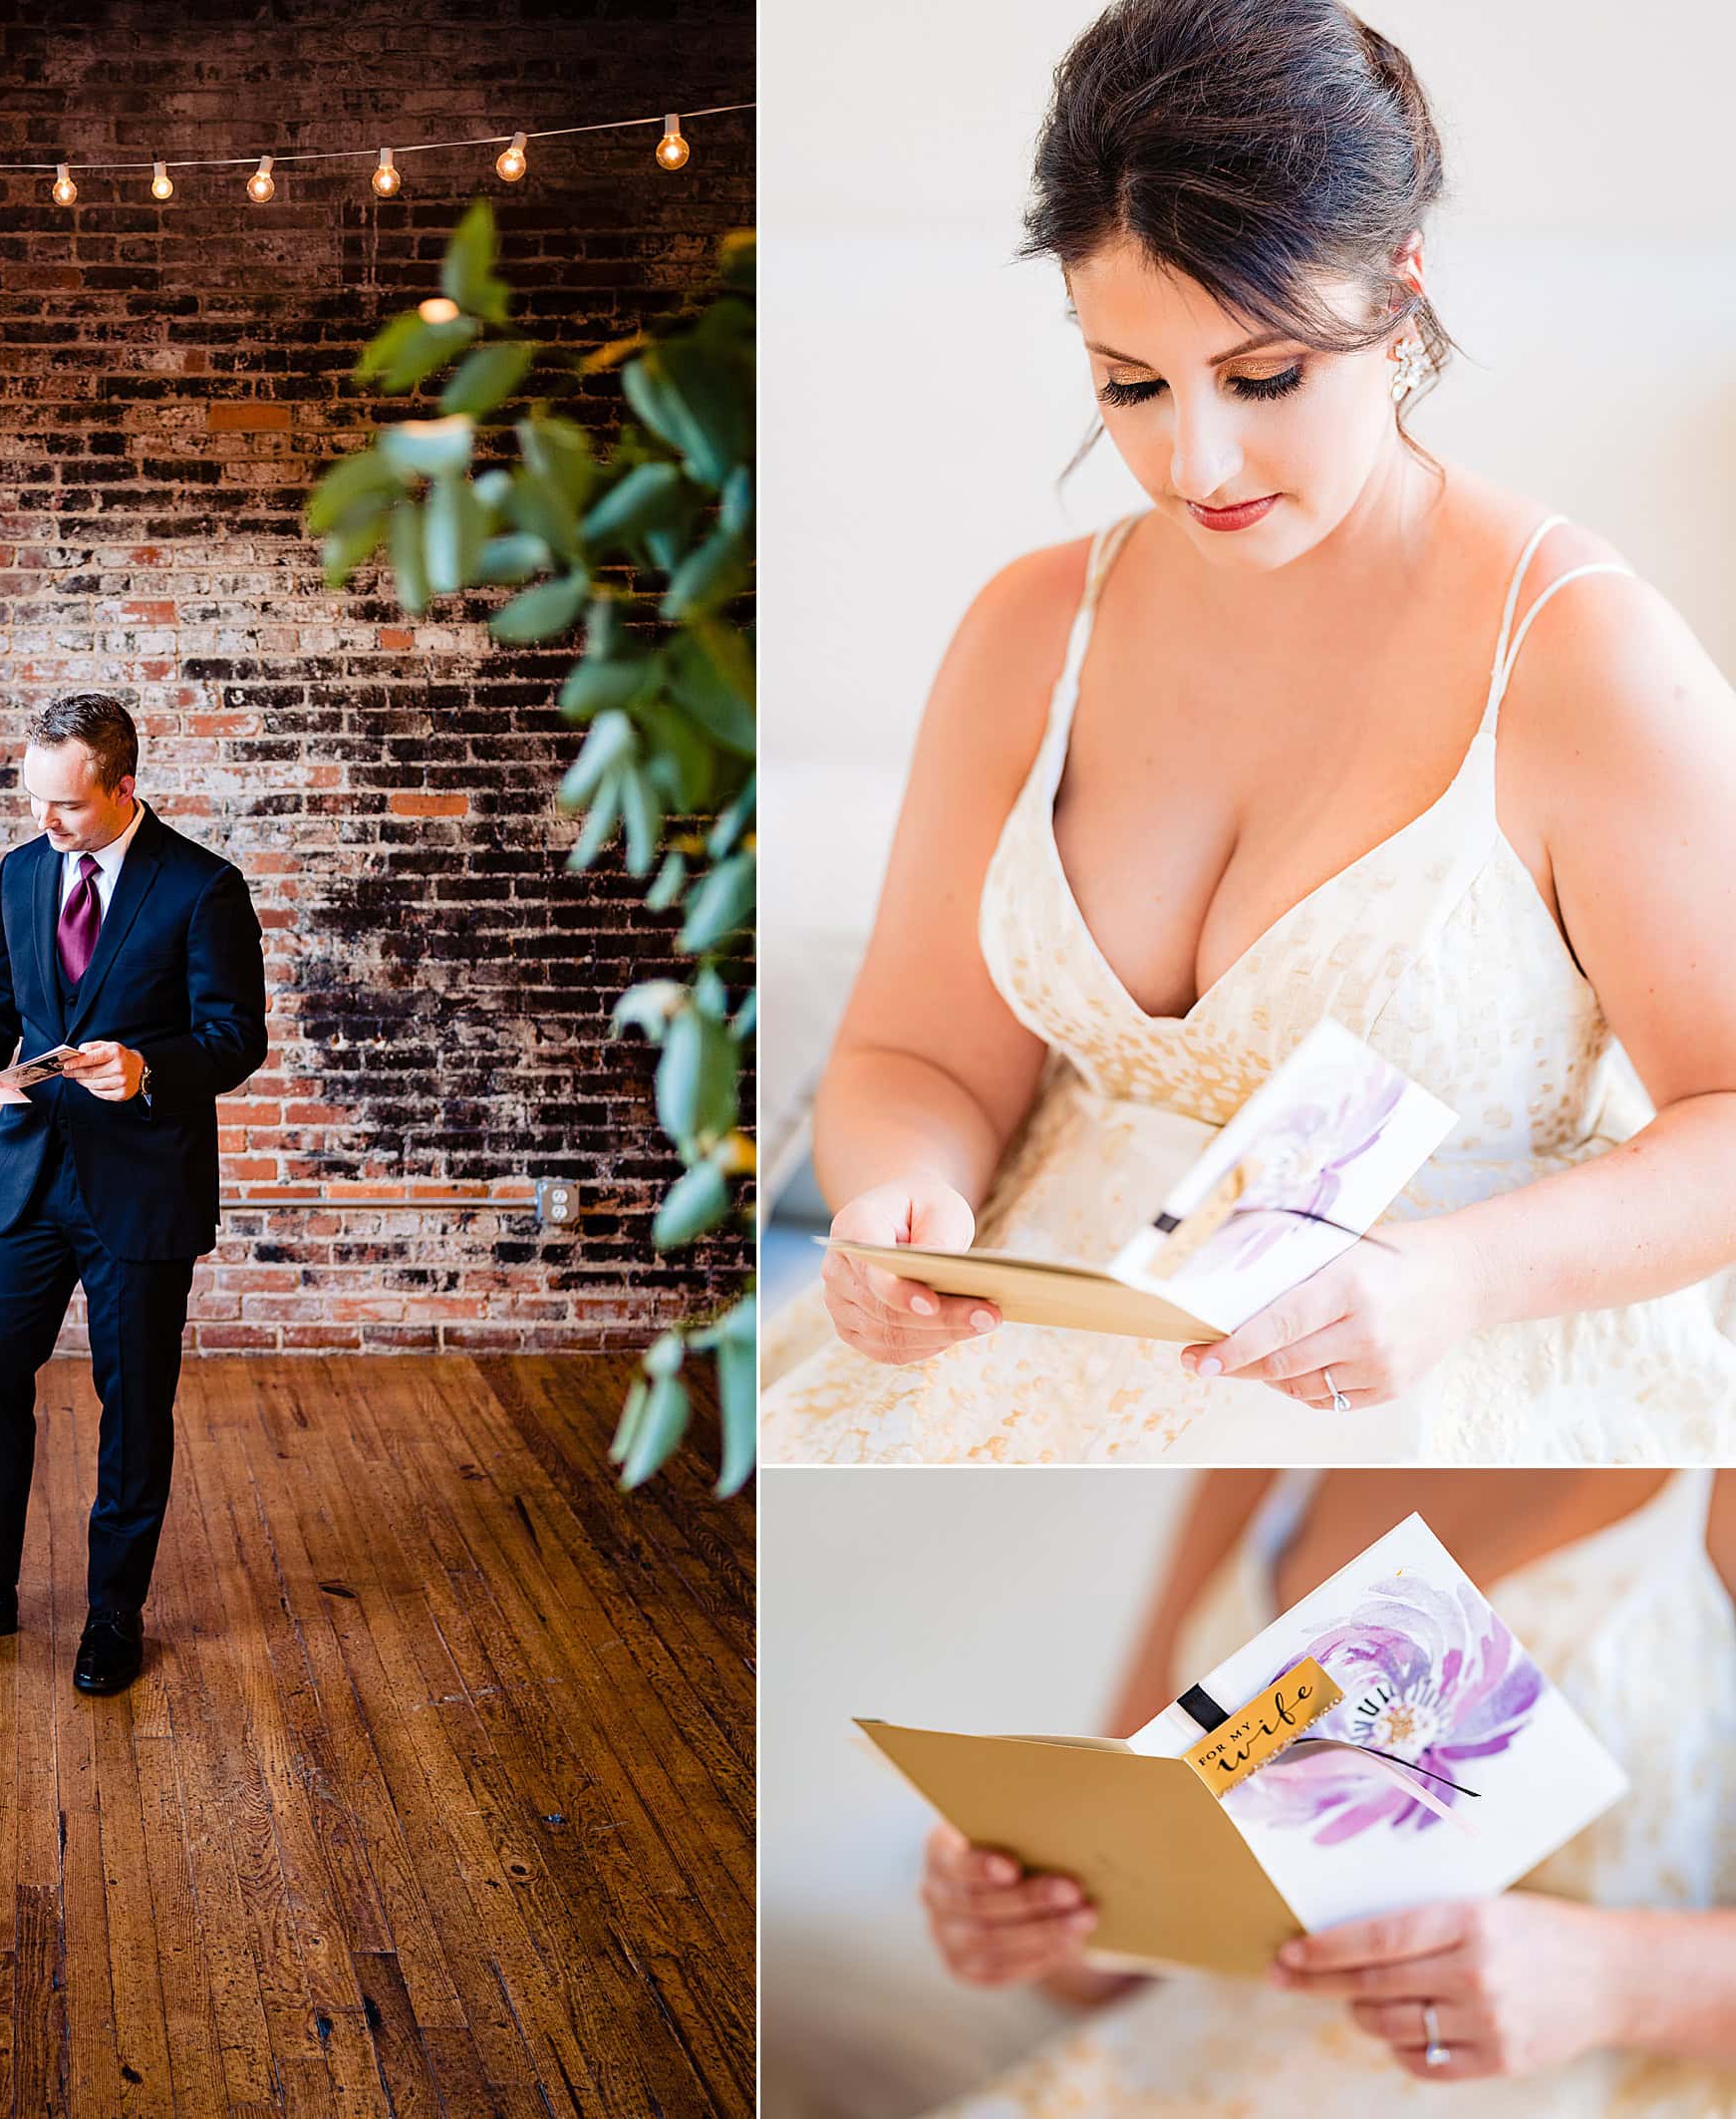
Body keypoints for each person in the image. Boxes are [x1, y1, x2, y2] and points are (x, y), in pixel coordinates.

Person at [761, 0, 1736, 1464]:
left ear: (1400, 294)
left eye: (1264, 377)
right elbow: (920, 1056)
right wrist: (906, 1204)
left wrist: (1459, 1275)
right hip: (1023, 1393)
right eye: (1131, 386)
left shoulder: (1582, 655)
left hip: (1431, 1413)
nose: (1194, 462)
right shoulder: (1033, 632)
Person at [917, 1468, 1736, 2113]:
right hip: (1180, 2079)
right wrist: (1025, 1911)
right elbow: (1103, 1953)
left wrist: (1619, 1979)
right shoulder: (1269, 1453)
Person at [0, 691, 267, 1693]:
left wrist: (148, 1065)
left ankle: (113, 1613)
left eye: (66, 806)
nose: (45, 823)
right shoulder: (22, 872)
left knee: (133, 1405)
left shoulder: (203, 889)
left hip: (141, 1188)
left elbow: (234, 1038)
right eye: (33, 800)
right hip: (26, 1170)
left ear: (124, 787)